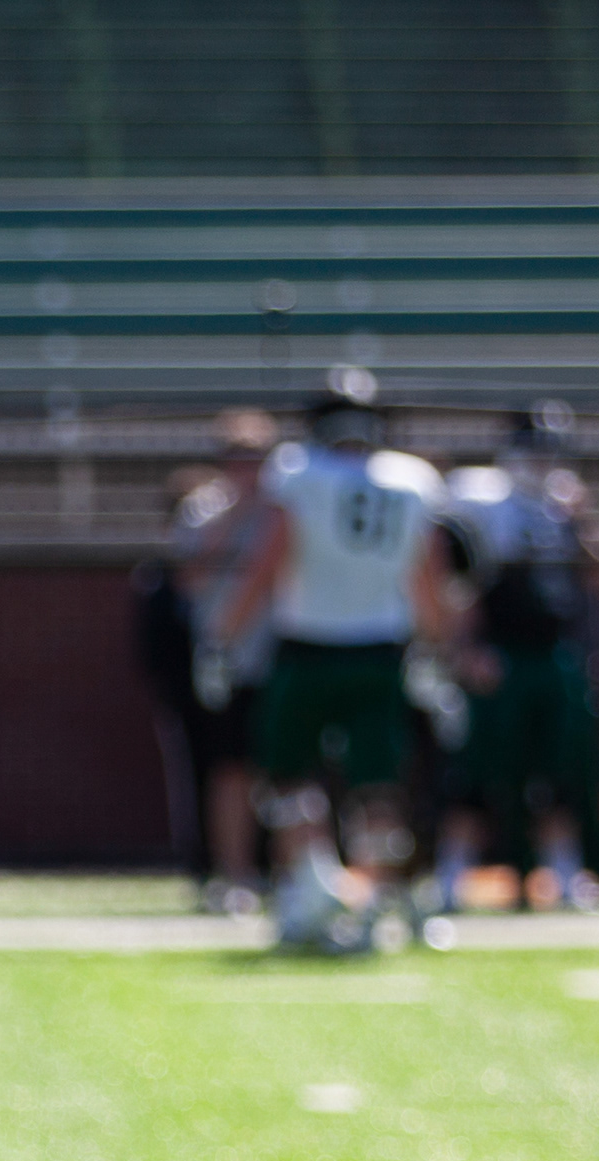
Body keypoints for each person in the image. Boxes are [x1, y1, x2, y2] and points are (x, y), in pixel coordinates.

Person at [209, 368, 453, 952]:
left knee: (290, 780)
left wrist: (221, 637)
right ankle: (371, 902)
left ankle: (312, 893)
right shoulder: (411, 480)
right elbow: (427, 576)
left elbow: (267, 561)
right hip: (381, 651)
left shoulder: (299, 473)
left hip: (309, 650)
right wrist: (440, 648)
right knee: (377, 789)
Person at [440, 404, 599, 911]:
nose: (542, 462)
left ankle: (564, 873)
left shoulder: (564, 507)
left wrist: (582, 519)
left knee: (557, 772)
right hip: (499, 653)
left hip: (554, 654)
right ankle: (452, 873)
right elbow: (458, 585)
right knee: (475, 772)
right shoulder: (482, 500)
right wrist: (465, 649)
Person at [173, 410, 286, 914]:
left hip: (282, 653)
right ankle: (235, 875)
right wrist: (238, 513)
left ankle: (290, 876)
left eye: (256, 457)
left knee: (287, 770)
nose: (247, 468)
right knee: (231, 770)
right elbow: (188, 578)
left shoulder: (285, 507)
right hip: (226, 659)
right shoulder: (203, 508)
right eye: (237, 457)